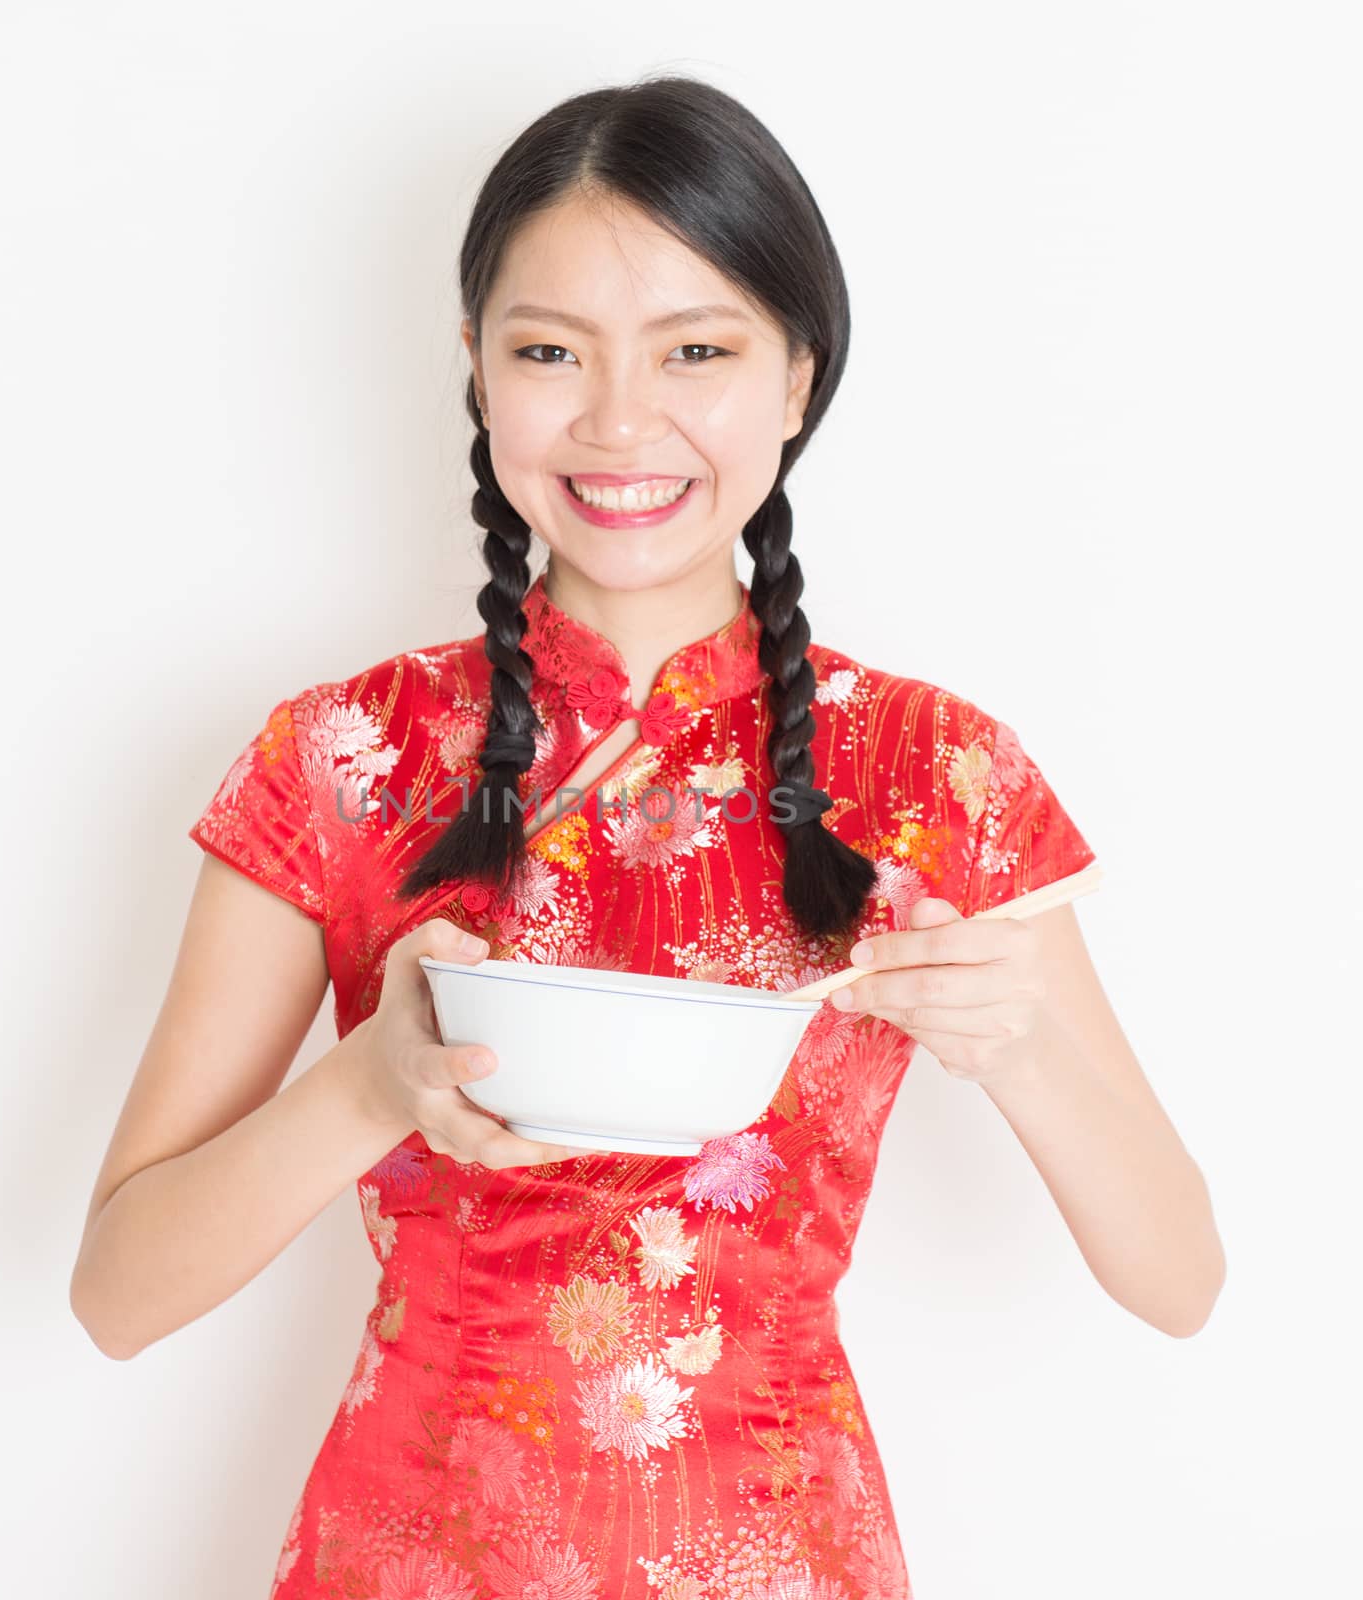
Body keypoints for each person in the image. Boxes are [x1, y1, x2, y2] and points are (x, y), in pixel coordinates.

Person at [70, 75, 1224, 1600]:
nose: (620, 422)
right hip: (410, 1560)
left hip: (787, 1559)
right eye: (550, 351)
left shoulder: (926, 770)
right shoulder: (346, 757)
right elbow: (118, 1294)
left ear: (800, 377)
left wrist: (1013, 1041)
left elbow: (1180, 1281)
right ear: (477, 369)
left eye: (698, 351)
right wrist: (371, 1086)